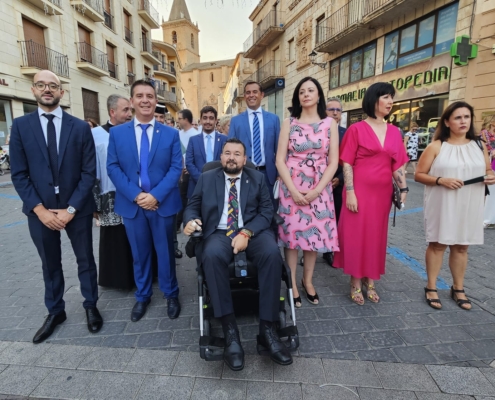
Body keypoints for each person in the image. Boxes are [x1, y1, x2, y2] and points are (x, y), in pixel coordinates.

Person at [183, 138, 292, 370]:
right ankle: (230, 331)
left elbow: (266, 211)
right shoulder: (206, 178)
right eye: (227, 153)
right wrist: (190, 220)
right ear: (221, 157)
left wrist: (247, 232)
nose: (231, 157)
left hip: (251, 231)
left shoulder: (258, 178)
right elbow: (192, 205)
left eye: (237, 153)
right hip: (219, 232)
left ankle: (268, 330)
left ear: (245, 159)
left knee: (272, 253)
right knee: (211, 255)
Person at [10, 70, 102, 343]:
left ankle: (90, 305)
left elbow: (89, 172)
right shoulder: (21, 126)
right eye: (41, 85)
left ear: (62, 92)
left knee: (85, 260)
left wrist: (71, 208)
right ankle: (55, 311)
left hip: (77, 208)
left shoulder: (80, 127)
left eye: (53, 85)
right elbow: (19, 174)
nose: (47, 89)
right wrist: (39, 210)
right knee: (49, 263)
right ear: (33, 90)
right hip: (41, 211)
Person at [107, 79, 182, 321]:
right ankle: (143, 296)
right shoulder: (117, 133)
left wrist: (155, 196)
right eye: (139, 96)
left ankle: (171, 294)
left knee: (166, 253)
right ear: (132, 101)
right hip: (133, 205)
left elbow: (175, 168)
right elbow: (113, 167)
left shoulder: (171, 134)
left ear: (156, 100)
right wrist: (137, 195)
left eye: (149, 96)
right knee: (139, 254)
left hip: (162, 204)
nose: (145, 100)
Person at [333, 82, 409, 305]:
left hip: (382, 194)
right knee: (358, 237)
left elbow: (397, 166)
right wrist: (350, 192)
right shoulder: (356, 129)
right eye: (385, 97)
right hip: (359, 191)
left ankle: (371, 280)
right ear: (373, 100)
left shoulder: (395, 131)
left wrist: (403, 188)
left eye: (391, 97)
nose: (390, 101)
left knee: (376, 237)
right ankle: (356, 282)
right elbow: (347, 163)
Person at [415, 101, 495, 310]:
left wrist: (490, 176)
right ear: (448, 122)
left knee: (461, 246)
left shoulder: (479, 145)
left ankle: (458, 287)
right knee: (438, 244)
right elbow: (419, 175)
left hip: (470, 201)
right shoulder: (437, 146)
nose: (463, 121)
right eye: (458, 117)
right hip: (443, 200)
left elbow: (488, 169)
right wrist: (441, 180)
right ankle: (431, 286)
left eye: (466, 117)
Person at [276, 77, 340, 308]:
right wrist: (292, 190)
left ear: (319, 95)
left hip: (320, 188)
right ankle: (292, 282)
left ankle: (308, 281)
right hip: (291, 186)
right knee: (292, 238)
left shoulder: (329, 124)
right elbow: (279, 160)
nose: (306, 94)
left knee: (314, 237)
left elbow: (333, 162)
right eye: (302, 91)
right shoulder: (289, 123)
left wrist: (317, 190)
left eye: (311, 90)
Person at [92, 94, 134, 290]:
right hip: (109, 194)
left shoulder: (133, 131)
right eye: (125, 110)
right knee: (115, 238)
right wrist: (94, 203)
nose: (129, 114)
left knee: (134, 235)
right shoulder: (97, 135)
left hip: (133, 192)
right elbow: (92, 169)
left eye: (130, 110)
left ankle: (138, 276)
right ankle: (117, 279)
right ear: (112, 112)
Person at [228, 81, 280, 205]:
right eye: (248, 92)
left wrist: (279, 175)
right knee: (246, 208)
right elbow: (230, 149)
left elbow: (279, 148)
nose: (251, 95)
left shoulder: (273, 119)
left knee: (269, 210)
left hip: (268, 175)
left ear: (262, 95)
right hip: (244, 173)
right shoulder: (236, 121)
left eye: (255, 92)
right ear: (245, 96)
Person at [153, 104, 182, 258]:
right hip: (146, 195)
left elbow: (176, 165)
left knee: (169, 229)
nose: (158, 120)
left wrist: (158, 193)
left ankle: (174, 247)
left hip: (167, 190)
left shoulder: (171, 134)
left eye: (161, 117)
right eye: (156, 116)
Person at [323, 97, 347, 266]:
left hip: (339, 182)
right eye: (331, 109)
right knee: (317, 218)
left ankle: (331, 251)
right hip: (318, 182)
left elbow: (352, 160)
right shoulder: (317, 130)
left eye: (338, 110)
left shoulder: (347, 133)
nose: (334, 112)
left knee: (336, 218)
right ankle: (311, 249)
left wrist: (340, 178)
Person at [186, 106, 228, 198]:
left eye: (211, 118)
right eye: (205, 118)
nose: (208, 121)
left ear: (216, 120)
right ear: (200, 120)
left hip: (219, 186)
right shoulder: (193, 140)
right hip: (196, 186)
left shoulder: (224, 140)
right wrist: (202, 180)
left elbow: (226, 162)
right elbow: (189, 163)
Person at [177, 109, 199, 231]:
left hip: (189, 173)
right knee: (180, 198)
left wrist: (190, 169)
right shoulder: (178, 134)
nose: (178, 121)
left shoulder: (195, 135)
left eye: (180, 118)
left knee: (186, 199)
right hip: (179, 172)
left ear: (186, 119)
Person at [481, 114, 495, 228]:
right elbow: (485, 147)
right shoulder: (485, 133)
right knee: (489, 192)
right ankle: (487, 219)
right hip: (490, 163)